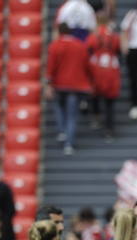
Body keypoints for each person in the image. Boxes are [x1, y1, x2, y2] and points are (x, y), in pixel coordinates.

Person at [46, 22, 92, 156]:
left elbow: (50, 67)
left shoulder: (55, 46)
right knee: (72, 116)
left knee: (59, 108)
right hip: (76, 86)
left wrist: (48, 84)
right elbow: (86, 65)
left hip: (60, 85)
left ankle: (62, 131)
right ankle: (69, 144)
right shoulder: (80, 45)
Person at [86, 13, 121, 140]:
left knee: (95, 93)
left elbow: (88, 50)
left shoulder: (94, 35)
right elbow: (118, 49)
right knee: (109, 101)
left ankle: (96, 116)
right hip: (111, 68)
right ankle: (109, 129)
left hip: (97, 68)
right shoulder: (113, 35)